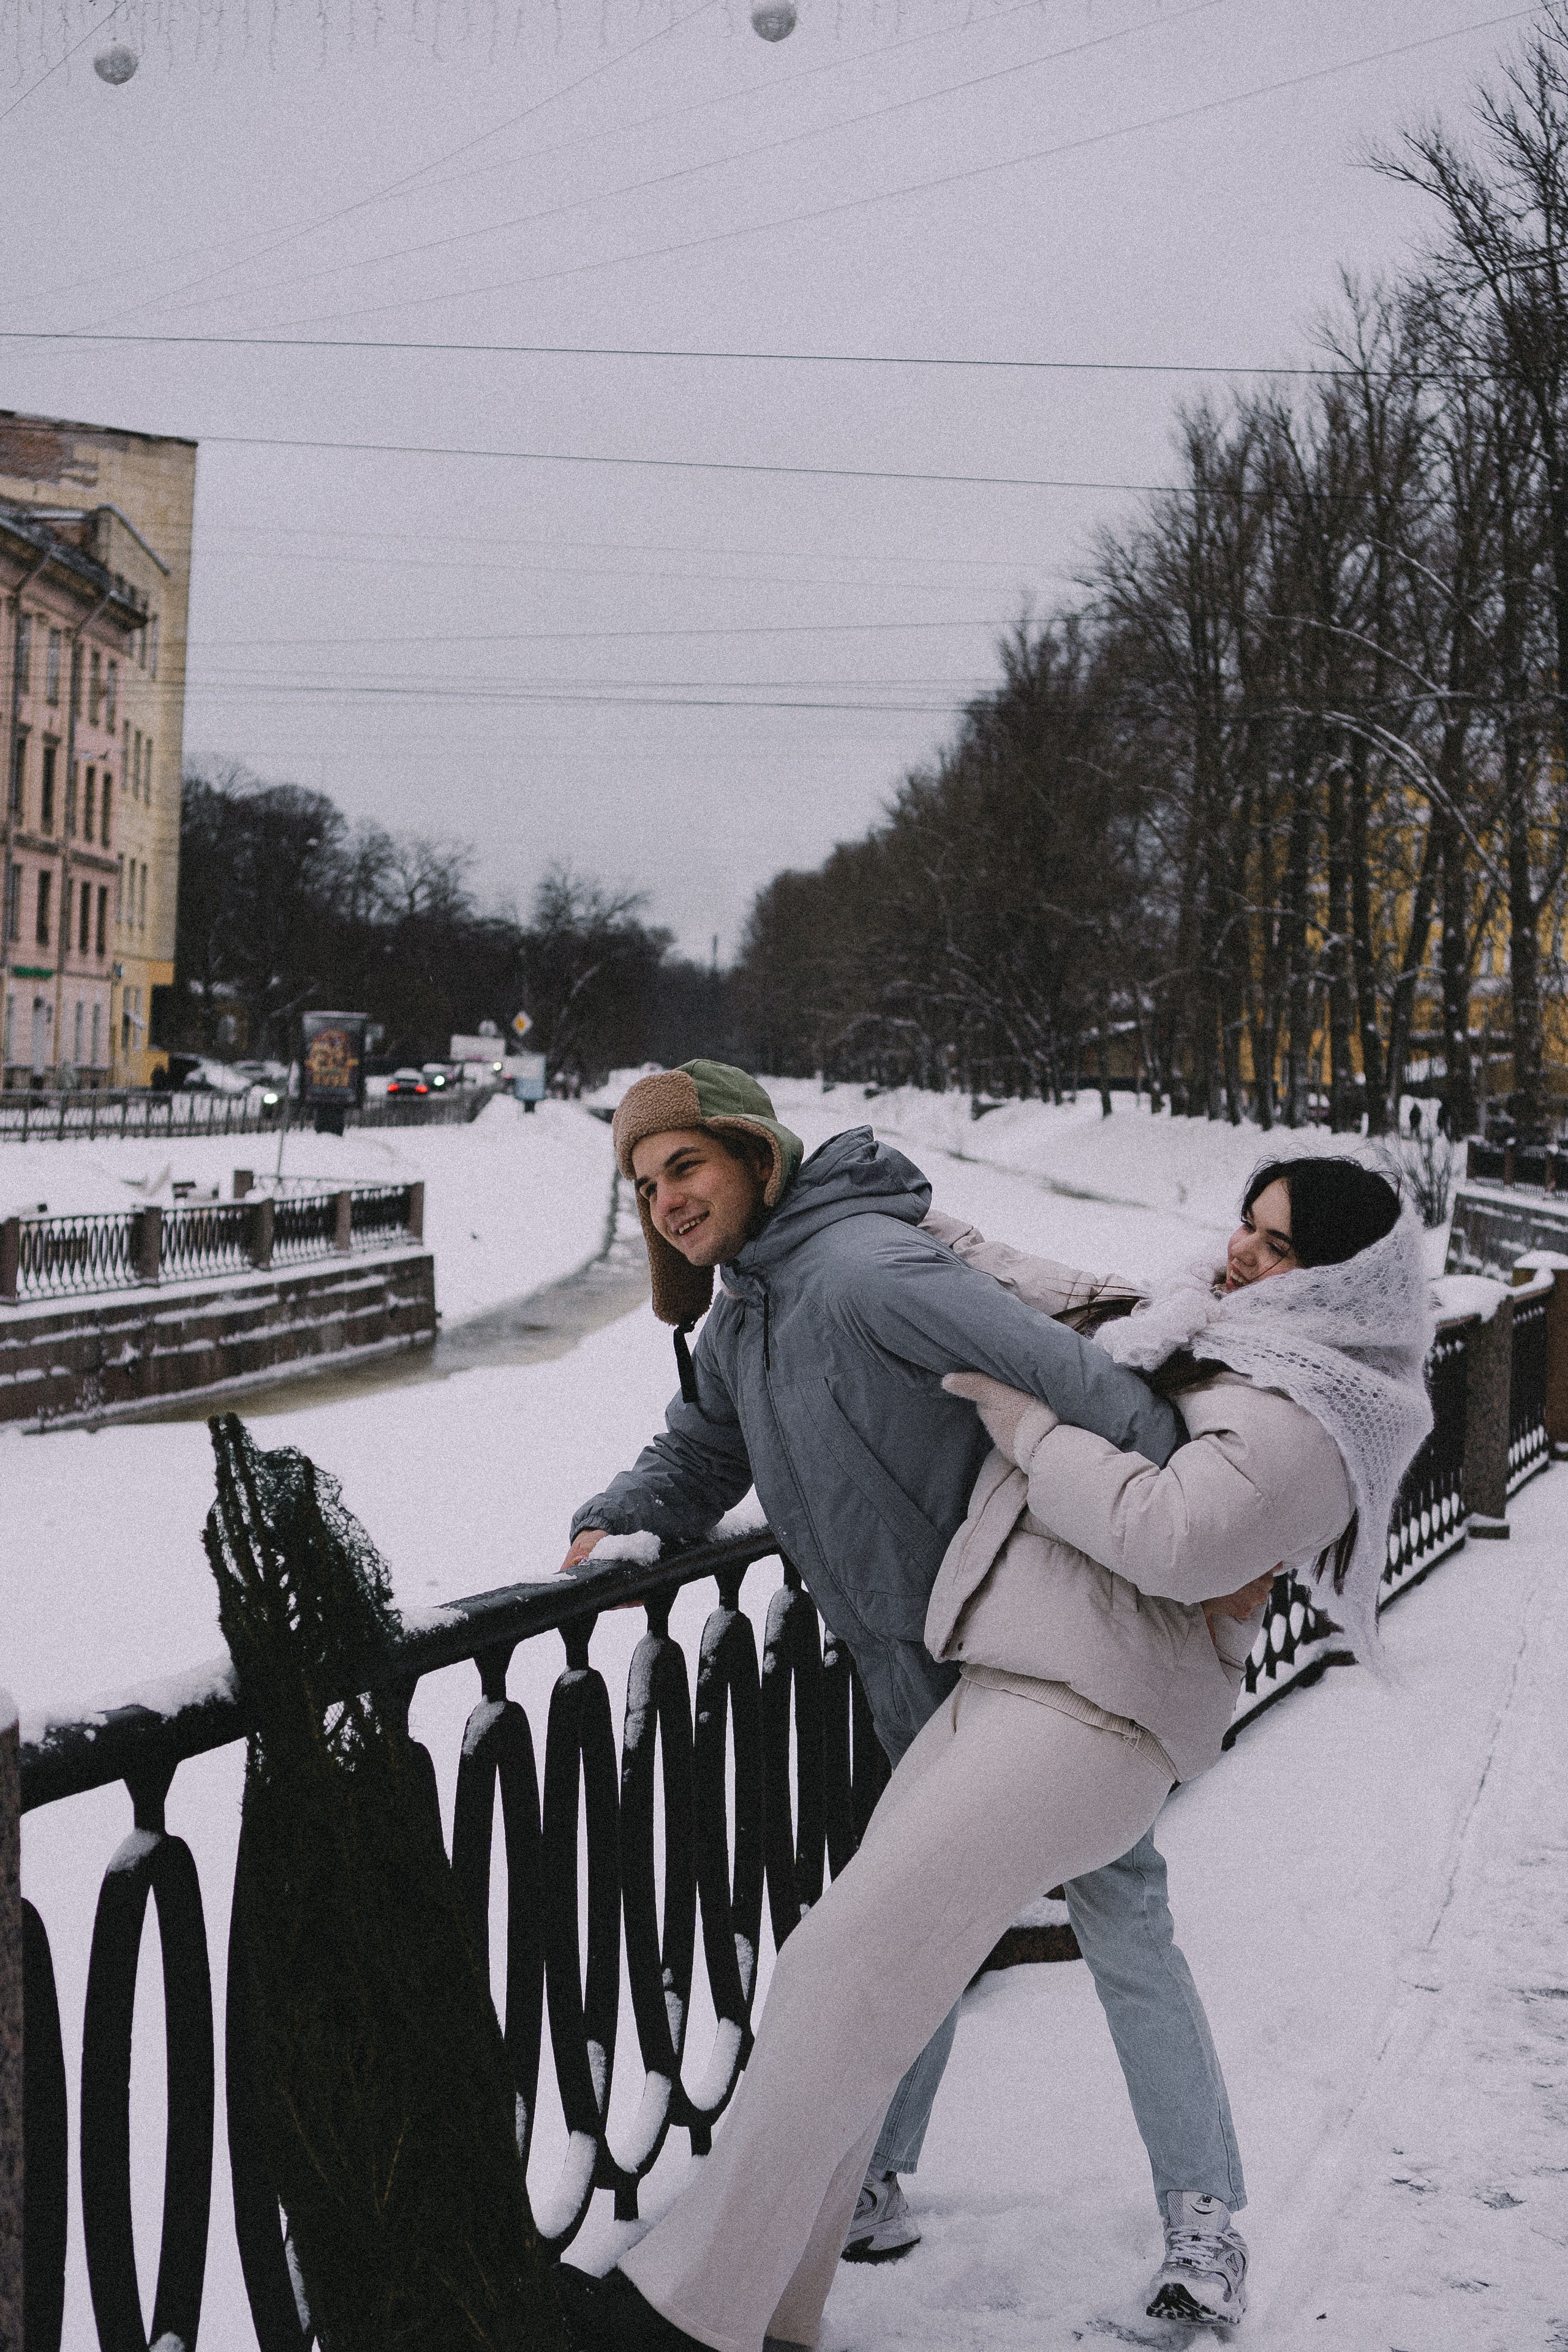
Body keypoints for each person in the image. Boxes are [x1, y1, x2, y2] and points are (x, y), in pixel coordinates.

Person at [559, 1092, 1434, 2352]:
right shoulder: (1198, 1328)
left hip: (1093, 1703)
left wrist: (1024, 1427)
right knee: (858, 1973)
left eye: (1280, 1244)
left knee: (896, 1963)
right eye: (1248, 1226)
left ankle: (699, 2310)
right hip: (1002, 1662)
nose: (1244, 1253)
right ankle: (780, 2301)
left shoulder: (1313, 1402)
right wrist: (622, 1517)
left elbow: (1166, 1517)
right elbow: (1058, 1318)